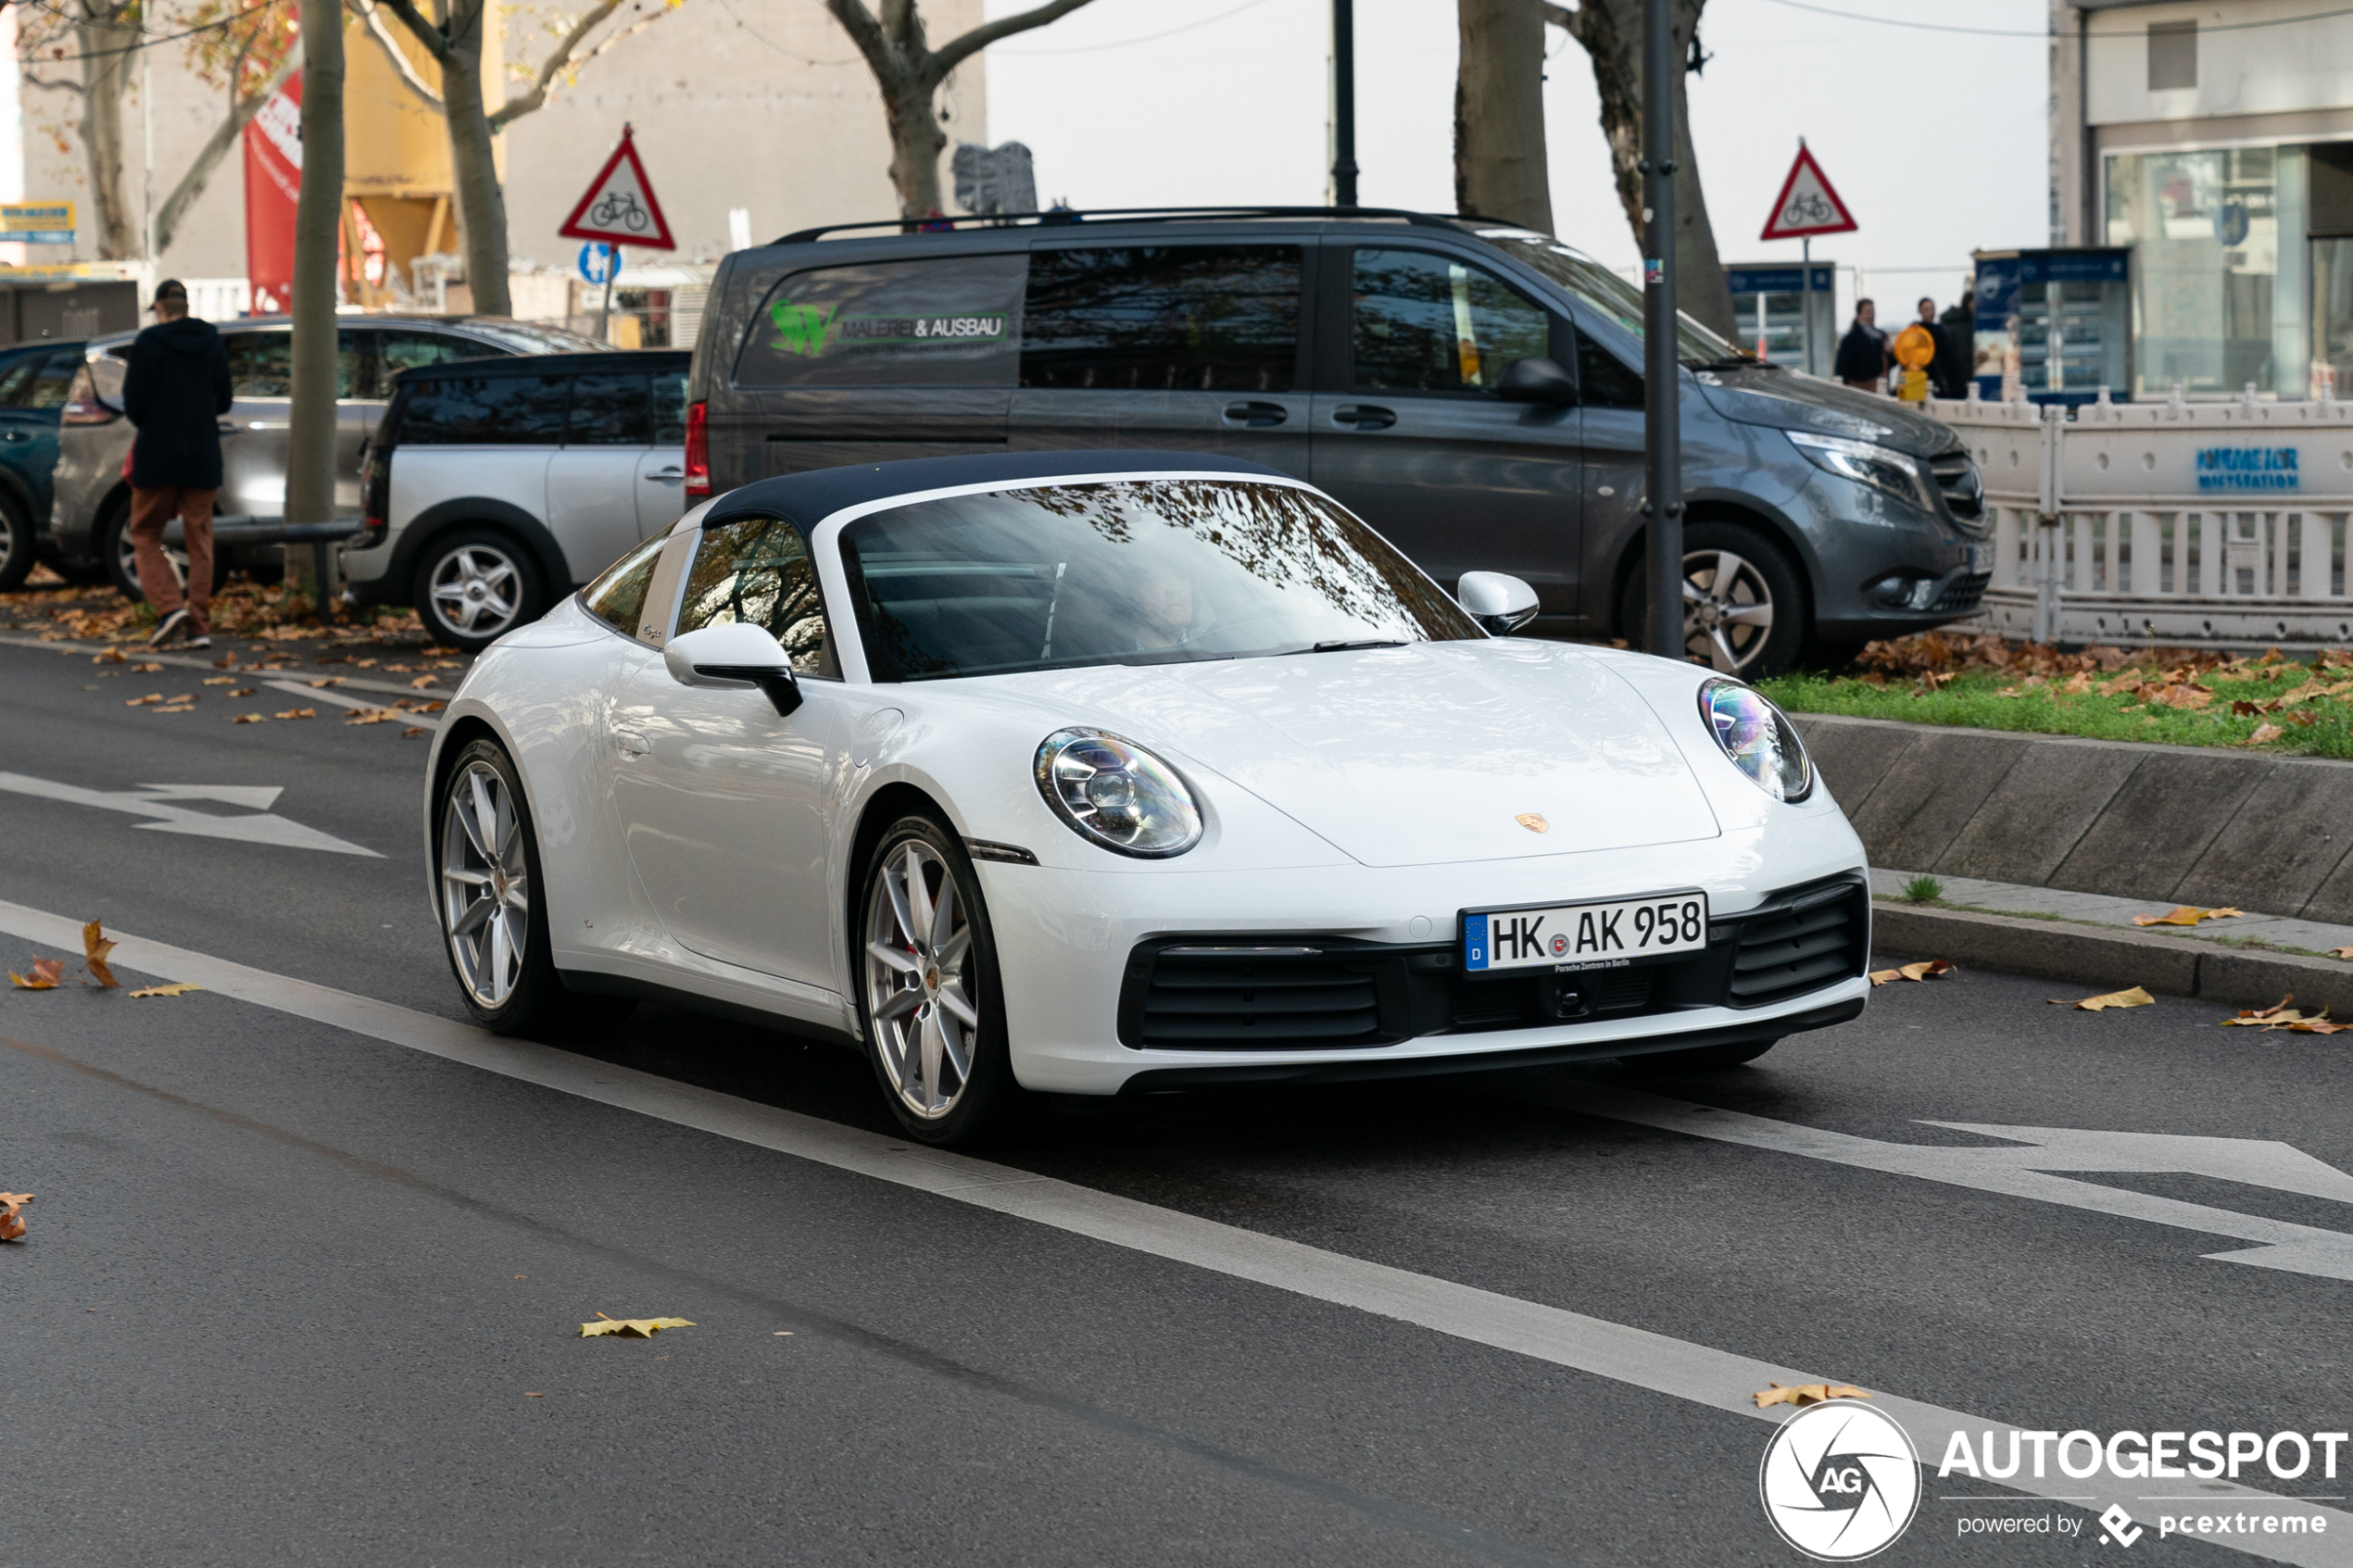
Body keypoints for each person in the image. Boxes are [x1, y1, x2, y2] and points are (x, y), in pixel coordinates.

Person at [122, 278, 233, 648]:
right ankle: (199, 627)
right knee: (200, 539)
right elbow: (224, 400)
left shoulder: (148, 344)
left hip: (158, 454)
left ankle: (170, 609)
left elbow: (133, 404)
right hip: (203, 453)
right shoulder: (211, 342)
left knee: (144, 532)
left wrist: (157, 423)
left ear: (159, 308)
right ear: (185, 306)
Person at [1834, 298, 1889, 394]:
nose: (1871, 315)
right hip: (1856, 390)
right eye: (1867, 312)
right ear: (1859, 315)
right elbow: (1841, 368)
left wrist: (1890, 352)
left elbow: (1890, 364)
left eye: (1872, 311)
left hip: (1878, 388)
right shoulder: (1850, 339)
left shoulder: (1881, 336)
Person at [1937, 287, 1976, 398]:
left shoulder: (1964, 322)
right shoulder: (1967, 324)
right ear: (1967, 303)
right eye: (1973, 303)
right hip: (1962, 374)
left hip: (1959, 375)